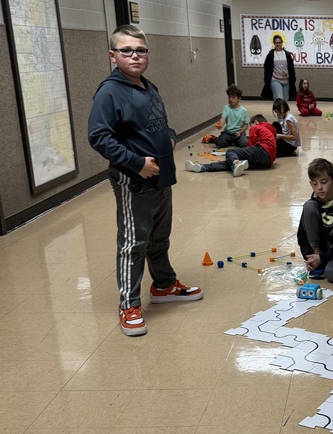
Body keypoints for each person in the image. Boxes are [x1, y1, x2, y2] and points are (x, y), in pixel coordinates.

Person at [88, 25, 203, 337]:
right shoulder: (110, 91)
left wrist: (169, 137)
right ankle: (128, 303)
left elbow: (153, 125)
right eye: (126, 51)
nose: (134, 56)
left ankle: (164, 285)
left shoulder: (146, 86)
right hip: (134, 182)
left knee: (159, 237)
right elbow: (98, 136)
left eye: (140, 50)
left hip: (161, 178)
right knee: (133, 243)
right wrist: (136, 163)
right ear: (113, 56)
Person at [297, 158, 333, 283]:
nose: (319, 188)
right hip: (319, 251)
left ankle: (329, 263)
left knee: (332, 274)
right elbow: (302, 236)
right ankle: (317, 260)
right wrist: (309, 257)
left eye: (324, 182)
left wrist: (322, 258)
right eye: (315, 184)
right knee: (309, 206)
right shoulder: (312, 204)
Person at [186, 114, 276, 175]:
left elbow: (250, 145)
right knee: (232, 163)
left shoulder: (257, 127)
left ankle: (235, 164)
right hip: (268, 162)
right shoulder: (271, 130)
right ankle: (204, 167)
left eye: (251, 125)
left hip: (261, 150)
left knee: (231, 152)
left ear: (256, 122)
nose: (250, 128)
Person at [261, 34, 296, 103]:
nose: (278, 44)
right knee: (279, 99)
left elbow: (291, 68)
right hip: (275, 80)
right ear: (274, 43)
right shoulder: (271, 55)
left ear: (282, 43)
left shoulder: (287, 54)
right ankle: (278, 113)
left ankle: (282, 113)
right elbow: (267, 68)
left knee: (285, 101)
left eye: (279, 42)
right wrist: (267, 79)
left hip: (286, 81)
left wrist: (293, 79)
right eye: (276, 43)